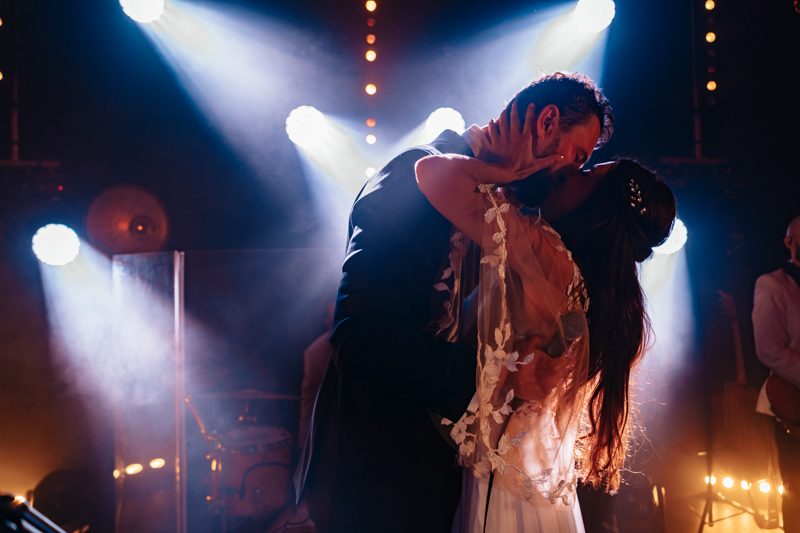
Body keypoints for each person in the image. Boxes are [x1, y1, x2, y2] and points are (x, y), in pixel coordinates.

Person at [298, 72, 614, 532]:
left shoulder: (510, 211)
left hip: (445, 486)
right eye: (578, 156)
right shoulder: (410, 177)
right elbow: (359, 339)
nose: (571, 173)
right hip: (376, 482)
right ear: (548, 121)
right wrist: (498, 381)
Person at [415, 104, 676, 531]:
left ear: (597, 211)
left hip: (501, 475)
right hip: (531, 475)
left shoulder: (543, 249)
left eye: (586, 174)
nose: (569, 173)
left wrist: (506, 171)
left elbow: (431, 173)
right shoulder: (582, 285)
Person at [753, 215, 800, 533]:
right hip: (792, 403)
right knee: (796, 492)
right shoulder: (772, 284)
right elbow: (768, 349)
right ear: (789, 241)